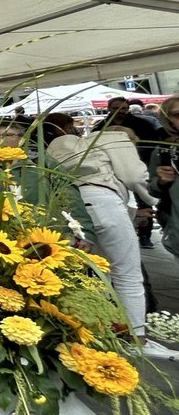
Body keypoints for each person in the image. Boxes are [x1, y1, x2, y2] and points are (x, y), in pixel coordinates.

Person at [43, 113, 174, 360]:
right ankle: (136, 339)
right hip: (105, 201)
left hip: (68, 206)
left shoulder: (61, 144)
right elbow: (135, 177)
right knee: (127, 273)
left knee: (92, 274)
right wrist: (155, 199)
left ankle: (99, 334)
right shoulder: (116, 138)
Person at [148, 96, 179, 260]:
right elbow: (153, 189)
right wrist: (161, 182)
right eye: (178, 115)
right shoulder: (164, 152)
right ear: (168, 120)